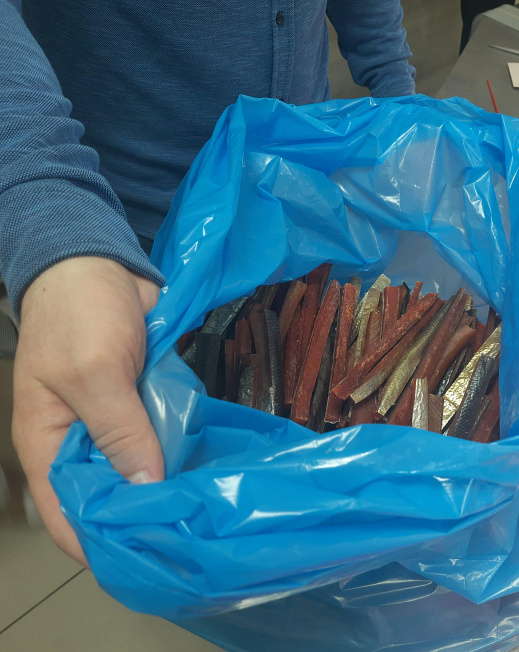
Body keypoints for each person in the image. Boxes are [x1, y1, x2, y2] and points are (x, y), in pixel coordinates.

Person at [0, 0, 416, 566]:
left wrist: (396, 89)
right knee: (193, 509)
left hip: (301, 184)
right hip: (133, 224)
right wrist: (47, 203)